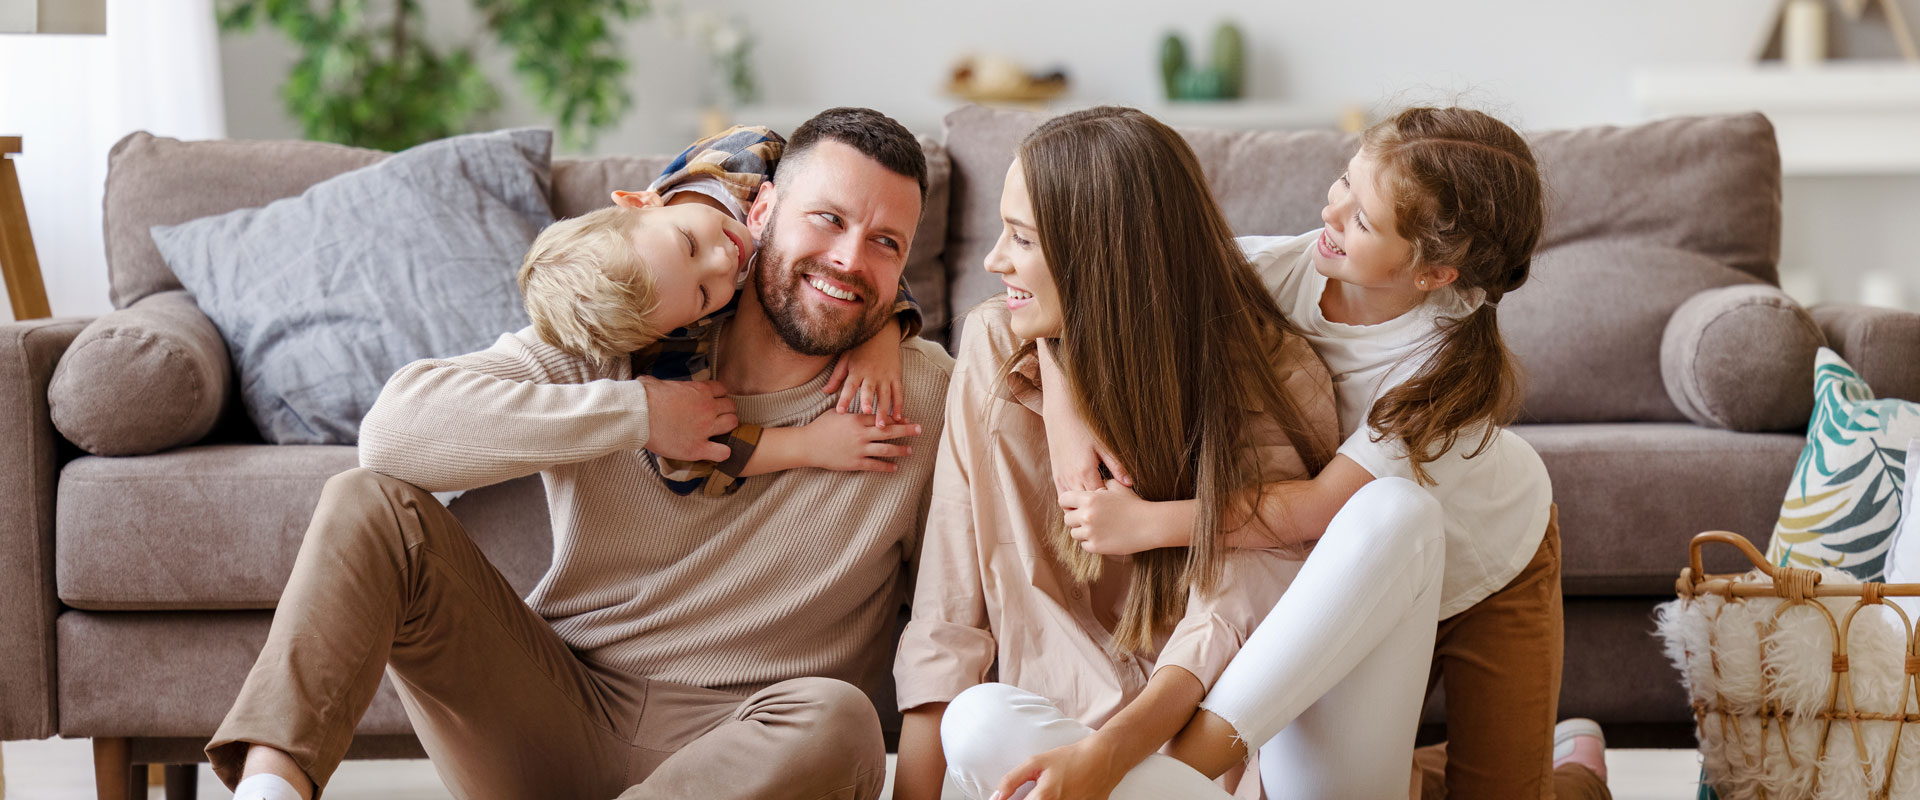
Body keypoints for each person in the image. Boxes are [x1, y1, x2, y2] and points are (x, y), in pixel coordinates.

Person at [205, 107, 952, 800]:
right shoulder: (630, 328)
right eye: (827, 219)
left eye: (886, 243)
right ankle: (272, 791)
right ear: (760, 215)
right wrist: (635, 414)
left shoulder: (925, 394)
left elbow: (960, 613)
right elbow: (394, 436)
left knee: (839, 720)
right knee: (368, 505)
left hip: (749, 747)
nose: (850, 258)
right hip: (559, 707)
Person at [1048, 107, 1609, 798]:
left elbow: (1317, 507)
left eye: (1364, 220)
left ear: (1433, 273)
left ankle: (1576, 769)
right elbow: (1072, 310)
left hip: (1489, 565)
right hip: (1366, 572)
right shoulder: (1270, 271)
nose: (1331, 209)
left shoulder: (1440, 372)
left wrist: (1148, 522)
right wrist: (1069, 420)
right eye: (1344, 180)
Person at [890, 106, 1380, 800]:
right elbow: (949, 607)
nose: (994, 260)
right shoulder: (997, 349)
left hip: (1184, 755)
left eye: (1021, 238)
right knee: (977, 723)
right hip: (1038, 741)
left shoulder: (1278, 376)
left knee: (987, 731)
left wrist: (1109, 759)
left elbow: (1236, 613)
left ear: (1100, 257)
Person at [517, 125, 929, 496]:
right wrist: (808, 446)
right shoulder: (671, 334)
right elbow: (690, 460)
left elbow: (858, 218)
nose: (723, 261)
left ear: (642, 203)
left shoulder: (746, 156)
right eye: (702, 294)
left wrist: (883, 332)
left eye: (689, 244)